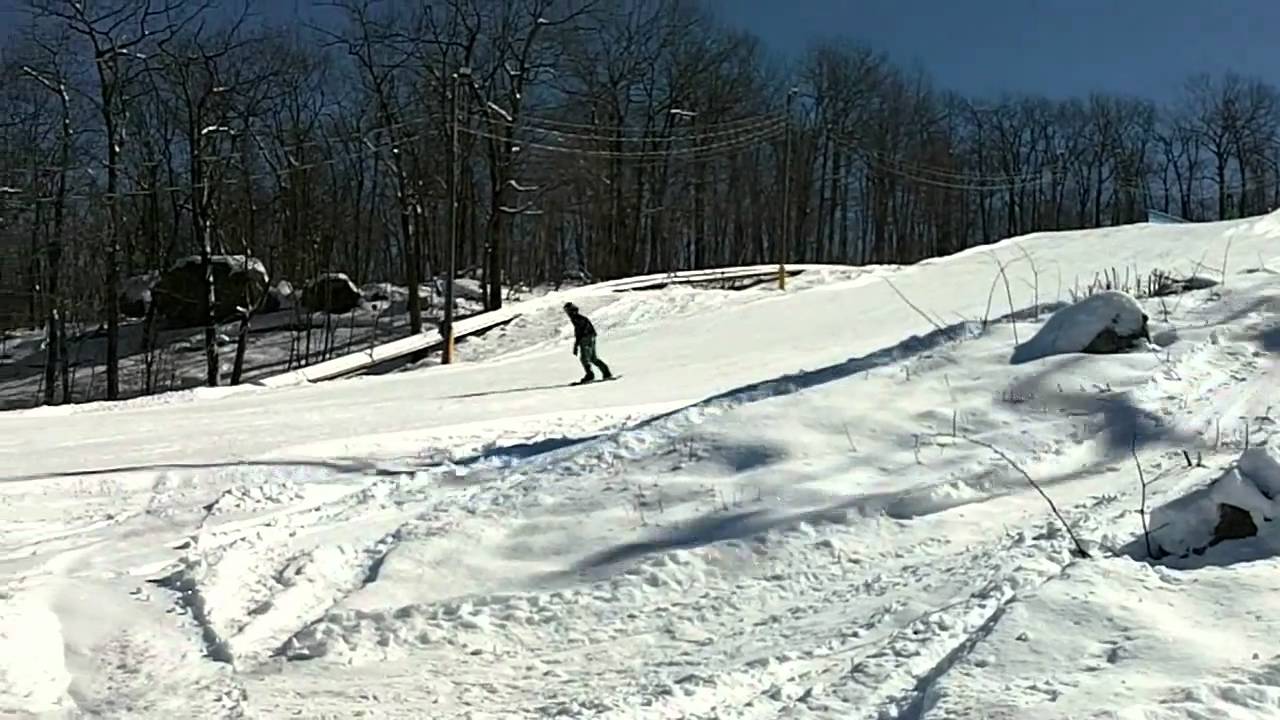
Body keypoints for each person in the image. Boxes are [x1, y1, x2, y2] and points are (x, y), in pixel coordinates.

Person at [564, 302, 613, 383]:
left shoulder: (576, 318)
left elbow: (579, 332)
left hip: (586, 338)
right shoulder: (578, 317)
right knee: (593, 358)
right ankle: (606, 372)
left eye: (567, 311)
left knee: (584, 358)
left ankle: (590, 375)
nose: (567, 313)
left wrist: (576, 345)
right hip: (591, 337)